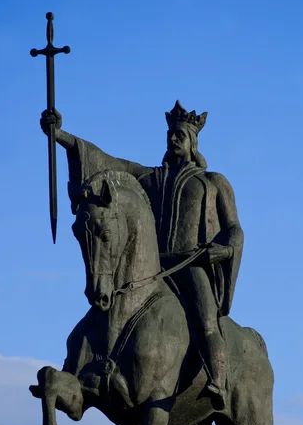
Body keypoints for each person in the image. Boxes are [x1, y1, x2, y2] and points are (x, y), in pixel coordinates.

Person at [40, 101, 244, 409]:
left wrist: (225, 249)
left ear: (192, 142)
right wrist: (60, 135)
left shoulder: (212, 182)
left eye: (180, 135)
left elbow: (234, 229)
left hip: (191, 264)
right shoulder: (148, 178)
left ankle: (218, 381)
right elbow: (105, 161)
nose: (173, 139)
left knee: (206, 321)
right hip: (151, 267)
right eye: (170, 134)